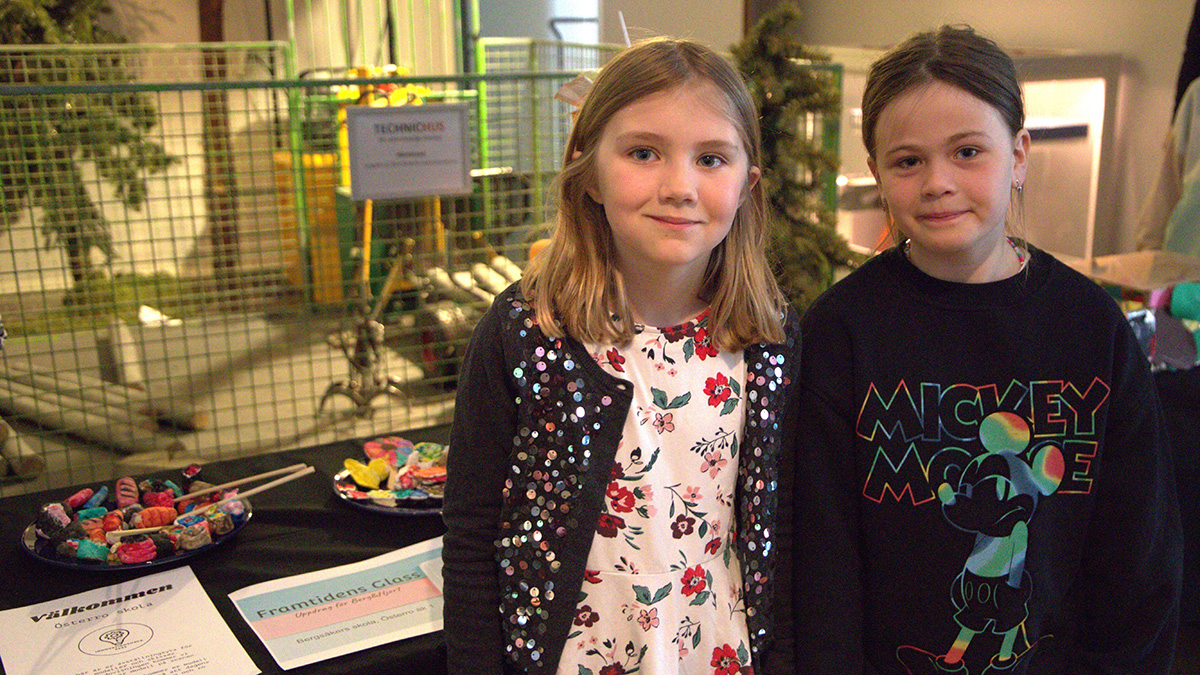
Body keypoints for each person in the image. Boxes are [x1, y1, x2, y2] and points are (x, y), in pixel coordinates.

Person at [792, 25, 1183, 674]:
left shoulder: (1092, 326)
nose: (938, 181)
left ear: (1020, 154)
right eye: (908, 160)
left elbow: (1138, 561)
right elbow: (821, 565)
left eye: (968, 151)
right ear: (877, 173)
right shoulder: (841, 329)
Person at [442, 38, 801, 675]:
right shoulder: (525, 332)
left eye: (711, 158)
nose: (680, 187)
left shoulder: (770, 341)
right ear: (589, 172)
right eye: (643, 153)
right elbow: (472, 531)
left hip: (715, 652)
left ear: (748, 185)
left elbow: (784, 527)